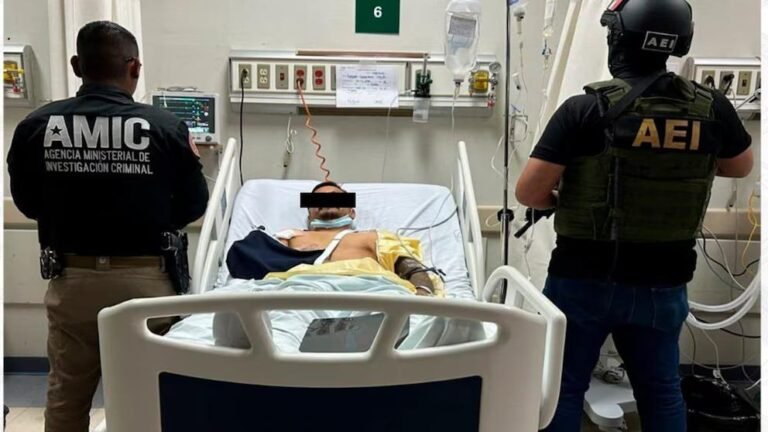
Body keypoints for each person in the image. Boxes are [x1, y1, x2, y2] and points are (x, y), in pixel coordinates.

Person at [514, 1, 753, 431]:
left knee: (563, 388)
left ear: (616, 39)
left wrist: (562, 199)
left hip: (583, 279)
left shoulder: (585, 109)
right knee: (661, 392)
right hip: (663, 284)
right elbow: (739, 166)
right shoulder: (712, 109)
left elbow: (529, 192)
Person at [7, 21, 208, 432]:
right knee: (152, 394)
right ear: (134, 67)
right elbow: (194, 204)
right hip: (146, 283)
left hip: (73, 279)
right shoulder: (165, 127)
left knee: (67, 393)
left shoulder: (36, 126)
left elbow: (27, 201)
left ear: (77, 65)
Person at [226, 181, 440, 296]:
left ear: (352, 212)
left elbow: (412, 268)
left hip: (369, 292)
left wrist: (422, 294)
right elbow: (254, 265)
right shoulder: (289, 237)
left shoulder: (374, 236)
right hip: (296, 293)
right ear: (309, 214)